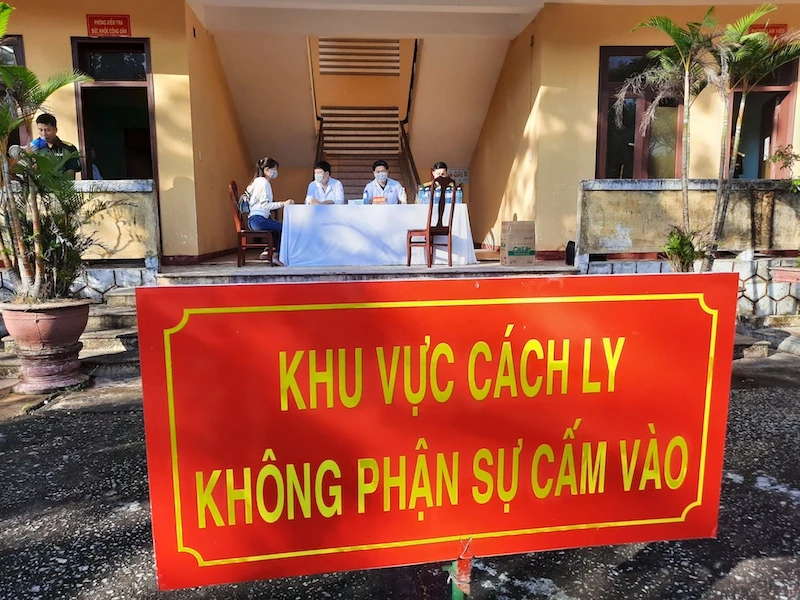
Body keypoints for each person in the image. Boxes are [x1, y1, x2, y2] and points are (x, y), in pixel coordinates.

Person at [244, 156, 293, 265]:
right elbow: (265, 205)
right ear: (267, 170)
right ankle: (275, 256)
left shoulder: (256, 182)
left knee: (276, 228)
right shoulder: (264, 183)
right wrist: (283, 203)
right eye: (274, 169)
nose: (276, 172)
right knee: (285, 228)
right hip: (259, 220)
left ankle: (267, 252)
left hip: (253, 220)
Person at [30, 114, 81, 179]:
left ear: (55, 130)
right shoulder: (38, 149)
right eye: (40, 130)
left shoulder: (69, 148)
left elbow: (70, 174)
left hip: (62, 184)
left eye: (48, 130)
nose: (44, 134)